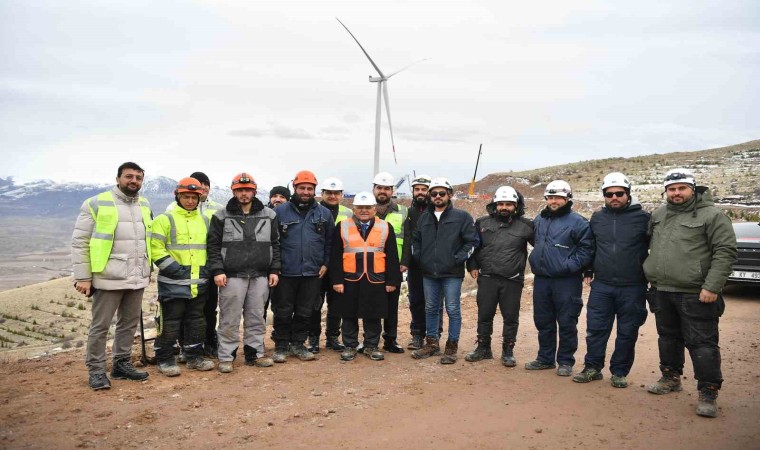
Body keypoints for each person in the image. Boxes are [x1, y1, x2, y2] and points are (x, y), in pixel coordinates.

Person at [643, 168, 736, 418]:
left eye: (682, 188)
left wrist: (712, 286)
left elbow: (725, 252)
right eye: (671, 189)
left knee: (702, 343)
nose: (676, 193)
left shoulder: (713, 215)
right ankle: (670, 377)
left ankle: (708, 391)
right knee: (668, 338)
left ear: (693, 189)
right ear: (666, 191)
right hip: (662, 290)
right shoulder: (659, 214)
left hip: (696, 293)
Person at [72, 162, 152, 390]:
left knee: (128, 324)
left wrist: (148, 269)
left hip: (137, 276)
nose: (134, 181)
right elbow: (80, 242)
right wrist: (83, 277)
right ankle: (96, 370)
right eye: (129, 176)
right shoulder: (96, 203)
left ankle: (121, 364)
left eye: (138, 177)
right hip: (107, 276)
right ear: (118, 179)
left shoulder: (144, 204)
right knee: (101, 327)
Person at [573, 173, 650, 388]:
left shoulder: (644, 218)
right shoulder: (597, 218)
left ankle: (619, 372)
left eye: (619, 193)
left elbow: (657, 247)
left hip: (633, 286)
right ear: (604, 196)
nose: (614, 197)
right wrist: (588, 270)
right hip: (602, 285)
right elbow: (592, 246)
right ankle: (592, 368)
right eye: (609, 194)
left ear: (628, 194)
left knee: (627, 332)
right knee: (596, 330)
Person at [207, 173, 281, 373]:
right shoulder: (221, 216)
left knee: (257, 316)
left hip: (260, 275)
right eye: (239, 190)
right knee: (229, 318)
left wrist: (274, 269)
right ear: (234, 191)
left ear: (254, 191)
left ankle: (254, 354)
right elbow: (213, 246)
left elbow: (275, 243)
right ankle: (226, 357)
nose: (244, 193)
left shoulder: (269, 215)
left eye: (248, 190)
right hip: (232, 276)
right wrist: (218, 270)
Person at [525, 180, 594, 377]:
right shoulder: (540, 219)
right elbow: (537, 242)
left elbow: (586, 249)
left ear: (567, 199)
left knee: (567, 321)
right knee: (543, 320)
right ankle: (545, 359)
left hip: (567, 281)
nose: (554, 201)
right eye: (550, 197)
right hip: (542, 279)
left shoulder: (579, 222)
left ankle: (565, 361)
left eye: (558, 197)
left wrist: (568, 266)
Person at [150, 177, 215, 376]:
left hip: (198, 283)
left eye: (194, 197)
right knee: (170, 322)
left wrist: (206, 271)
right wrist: (177, 271)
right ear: (177, 196)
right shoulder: (164, 219)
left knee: (196, 321)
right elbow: (156, 249)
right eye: (186, 197)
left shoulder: (205, 221)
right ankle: (165, 359)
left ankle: (193, 357)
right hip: (172, 283)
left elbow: (211, 249)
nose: (190, 201)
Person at [411, 177, 479, 364]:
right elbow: (416, 240)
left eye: (442, 193)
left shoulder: (462, 217)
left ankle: (451, 347)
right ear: (430, 196)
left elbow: (472, 242)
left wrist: (457, 259)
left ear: (449, 195)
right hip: (429, 273)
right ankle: (432, 343)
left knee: (453, 309)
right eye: (434, 193)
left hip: (452, 274)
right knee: (431, 308)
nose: (438, 196)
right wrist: (420, 258)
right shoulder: (424, 218)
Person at [465, 186, 534, 367]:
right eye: (500, 204)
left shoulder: (526, 225)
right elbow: (473, 247)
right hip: (487, 277)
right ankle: (483, 348)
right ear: (494, 204)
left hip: (513, 279)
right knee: (484, 314)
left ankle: (508, 351)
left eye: (508, 204)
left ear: (516, 205)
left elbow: (542, 247)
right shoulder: (482, 223)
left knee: (510, 317)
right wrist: (472, 265)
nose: (504, 207)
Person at [272, 170, 335, 363]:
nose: (306, 192)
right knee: (283, 310)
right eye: (302, 188)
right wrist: (275, 266)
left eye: (309, 188)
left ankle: (298, 344)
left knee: (305, 310)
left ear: (314, 190)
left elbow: (330, 242)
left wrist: (326, 263)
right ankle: (281, 345)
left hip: (312, 272)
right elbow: (273, 242)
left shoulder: (324, 214)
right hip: (286, 271)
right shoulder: (280, 212)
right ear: (295, 188)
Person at [330, 192, 401, 361]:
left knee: (373, 314)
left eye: (368, 207)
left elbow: (392, 256)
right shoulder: (342, 226)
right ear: (354, 209)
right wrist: (337, 280)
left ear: (374, 209)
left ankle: (371, 346)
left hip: (376, 278)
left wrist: (392, 280)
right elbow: (335, 256)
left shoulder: (385, 227)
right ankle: (350, 346)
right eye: (360, 207)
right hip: (349, 278)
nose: (364, 210)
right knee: (348, 314)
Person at [166, 171, 222, 359]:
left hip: (208, 268)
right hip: (182, 270)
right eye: (200, 184)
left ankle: (209, 340)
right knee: (184, 310)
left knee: (209, 308)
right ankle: (185, 345)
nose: (203, 187)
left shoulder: (218, 209)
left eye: (206, 184)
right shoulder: (172, 209)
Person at [307, 177, 353, 353]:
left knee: (336, 304)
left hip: (340, 266)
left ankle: (332, 337)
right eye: (329, 193)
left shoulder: (349, 213)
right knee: (314, 305)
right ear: (322, 194)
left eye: (336, 193)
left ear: (341, 195)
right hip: (318, 266)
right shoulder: (313, 211)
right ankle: (313, 338)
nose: (332, 196)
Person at [368, 171, 407, 354]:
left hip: (394, 266)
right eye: (379, 188)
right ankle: (371, 341)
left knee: (392, 306)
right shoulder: (365, 210)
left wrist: (405, 261)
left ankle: (390, 339)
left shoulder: (403, 211)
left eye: (386, 188)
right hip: (370, 266)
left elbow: (408, 238)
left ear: (392, 191)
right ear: (373, 189)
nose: (382, 191)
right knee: (372, 304)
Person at [403, 174, 433, 350]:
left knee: (433, 302)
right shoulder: (408, 213)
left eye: (424, 189)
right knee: (415, 300)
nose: (420, 192)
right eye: (417, 189)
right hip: (414, 265)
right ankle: (417, 334)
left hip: (434, 264)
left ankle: (433, 335)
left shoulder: (437, 212)